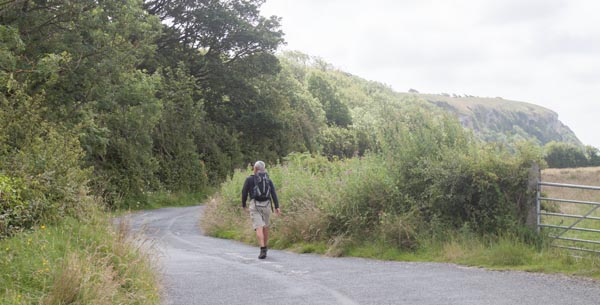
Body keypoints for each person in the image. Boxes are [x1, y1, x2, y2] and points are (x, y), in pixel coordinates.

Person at [242, 161, 281, 259]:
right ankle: (265, 247)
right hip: (267, 204)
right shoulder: (268, 180)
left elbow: (244, 193)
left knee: (258, 227)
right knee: (266, 226)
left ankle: (262, 248)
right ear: (264, 169)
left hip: (255, 205)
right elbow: (273, 194)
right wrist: (277, 207)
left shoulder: (249, 179)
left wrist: (243, 205)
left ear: (255, 169)